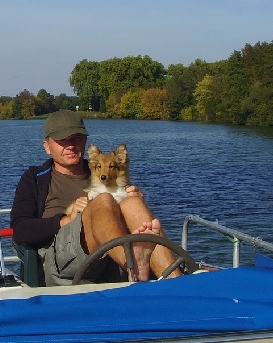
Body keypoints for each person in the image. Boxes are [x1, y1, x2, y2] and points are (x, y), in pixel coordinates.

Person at [11, 110, 181, 286]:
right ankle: (133, 264)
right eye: (62, 140)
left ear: (84, 141)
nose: (70, 145)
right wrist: (66, 220)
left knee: (133, 203)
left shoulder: (102, 170)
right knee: (103, 200)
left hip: (110, 255)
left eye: (76, 138)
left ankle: (176, 282)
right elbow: (20, 229)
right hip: (63, 259)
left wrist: (133, 198)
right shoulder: (35, 178)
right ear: (47, 146)